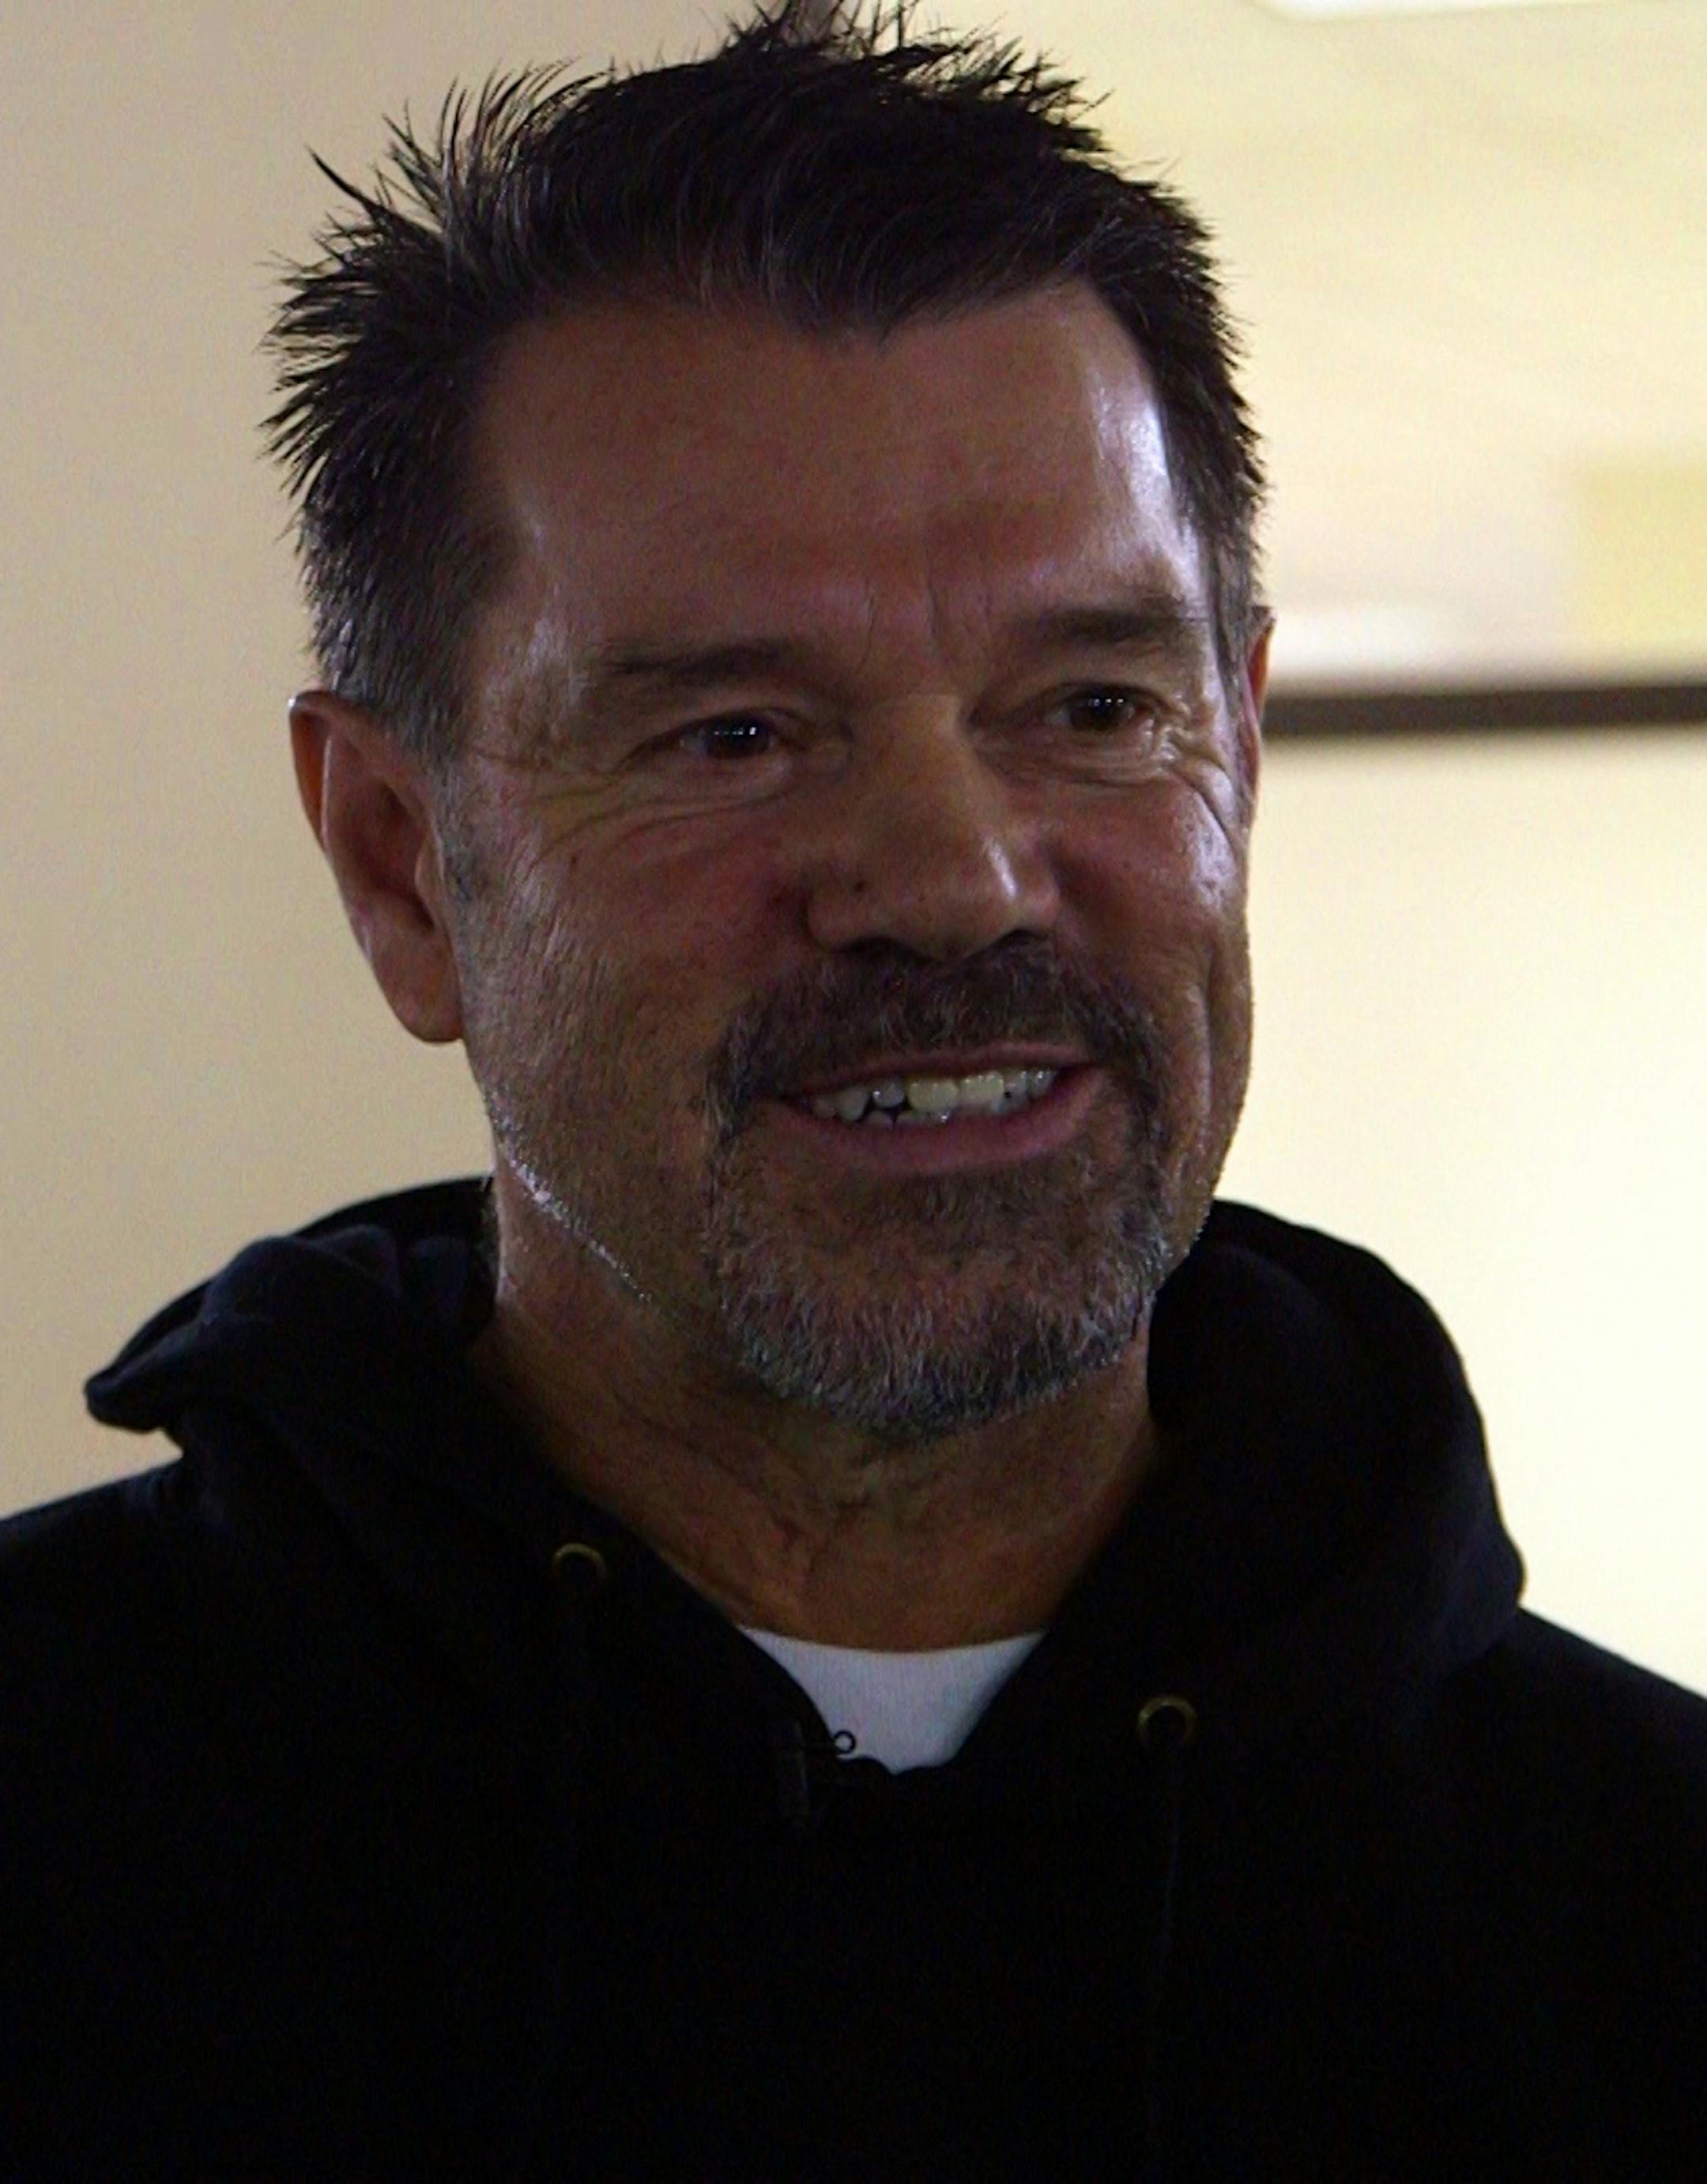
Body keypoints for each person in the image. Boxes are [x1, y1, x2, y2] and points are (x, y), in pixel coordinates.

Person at [4, 2, 1704, 2176]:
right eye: (733, 733)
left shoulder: (1644, 1927)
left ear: (1246, 759)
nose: (954, 879)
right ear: (399, 862)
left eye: (1094, 703)